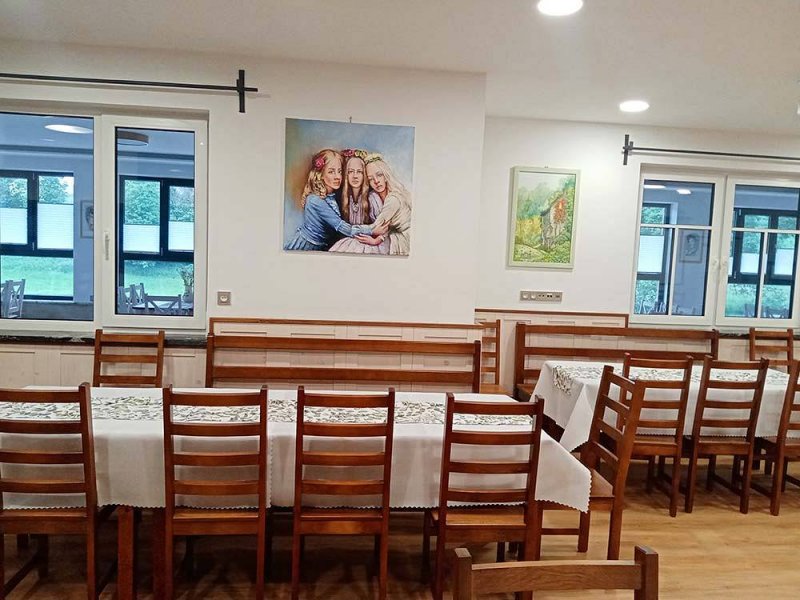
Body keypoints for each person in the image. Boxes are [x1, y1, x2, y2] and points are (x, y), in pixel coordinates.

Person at [284, 149, 385, 251]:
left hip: (322, 247)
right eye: (331, 172)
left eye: (339, 171)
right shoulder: (315, 200)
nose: (337, 177)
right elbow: (343, 228)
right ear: (320, 175)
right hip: (306, 246)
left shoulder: (334, 196)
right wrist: (372, 230)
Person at [329, 149, 390, 254]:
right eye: (351, 172)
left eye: (359, 172)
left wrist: (374, 238)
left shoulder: (372, 197)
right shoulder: (341, 198)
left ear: (365, 175)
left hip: (370, 244)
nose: (355, 176)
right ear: (346, 175)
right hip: (350, 242)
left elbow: (384, 227)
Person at [358, 155, 412, 255]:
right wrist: (378, 239)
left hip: (405, 239)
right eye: (370, 179)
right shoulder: (373, 197)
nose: (376, 181)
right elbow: (386, 227)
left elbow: (377, 226)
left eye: (379, 175)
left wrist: (351, 230)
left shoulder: (393, 199)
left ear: (386, 175)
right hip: (391, 235)